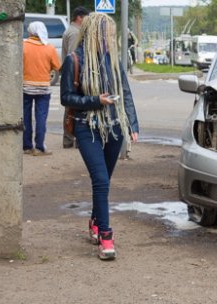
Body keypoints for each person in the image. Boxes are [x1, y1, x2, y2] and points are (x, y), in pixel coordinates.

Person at [60, 13, 139, 260]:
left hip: (114, 128)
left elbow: (125, 92)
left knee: (103, 182)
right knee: (101, 181)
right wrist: (96, 101)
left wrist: (133, 124)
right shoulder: (75, 60)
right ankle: (106, 236)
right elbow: (66, 98)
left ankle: (95, 220)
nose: (110, 39)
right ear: (94, 34)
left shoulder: (112, 60)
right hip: (87, 127)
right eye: (107, 35)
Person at [23, 21, 61, 155]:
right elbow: (57, 66)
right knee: (41, 118)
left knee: (25, 117)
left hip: (25, 88)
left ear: (31, 32)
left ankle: (26, 146)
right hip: (43, 89)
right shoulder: (49, 48)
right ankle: (39, 147)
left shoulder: (23, 46)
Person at [61, 6, 90, 149]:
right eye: (86, 18)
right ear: (79, 17)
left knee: (71, 108)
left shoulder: (71, 30)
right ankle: (73, 139)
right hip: (75, 76)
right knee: (74, 108)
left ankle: (70, 139)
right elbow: (75, 57)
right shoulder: (75, 33)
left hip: (71, 75)